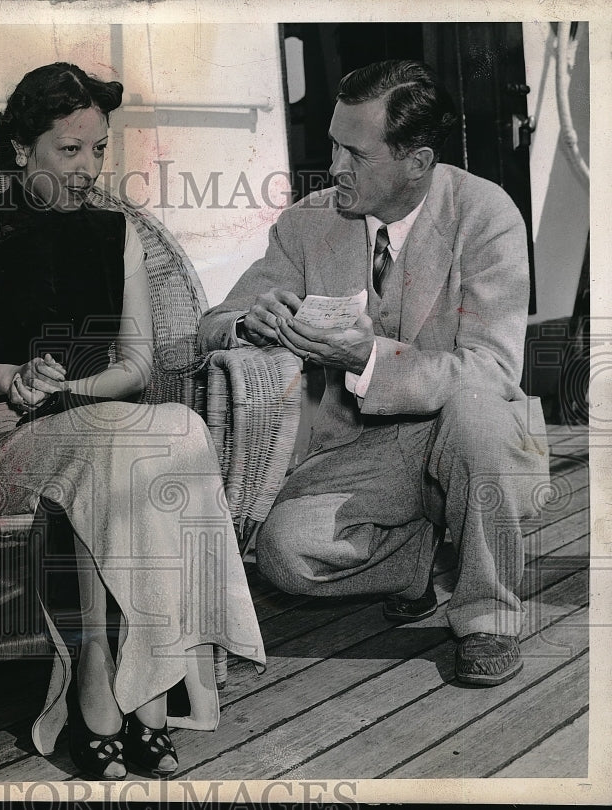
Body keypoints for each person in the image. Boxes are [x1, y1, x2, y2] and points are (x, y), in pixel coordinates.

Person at [0, 62, 265, 780]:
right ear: (19, 148)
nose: (88, 168)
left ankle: (126, 682)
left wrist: (72, 386)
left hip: (100, 434)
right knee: (136, 443)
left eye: (98, 149)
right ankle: (118, 685)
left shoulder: (117, 234)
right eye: (69, 151)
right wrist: (10, 379)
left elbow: (136, 366)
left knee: (174, 429)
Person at [198, 60, 550, 688]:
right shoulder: (310, 221)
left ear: (416, 162)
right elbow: (210, 325)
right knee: (283, 553)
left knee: (476, 416)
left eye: (354, 153)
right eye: (334, 144)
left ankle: (487, 617)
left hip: (469, 434)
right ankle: (419, 561)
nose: (335, 167)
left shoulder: (485, 215)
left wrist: (366, 358)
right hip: (368, 450)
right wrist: (250, 322)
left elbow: (493, 372)